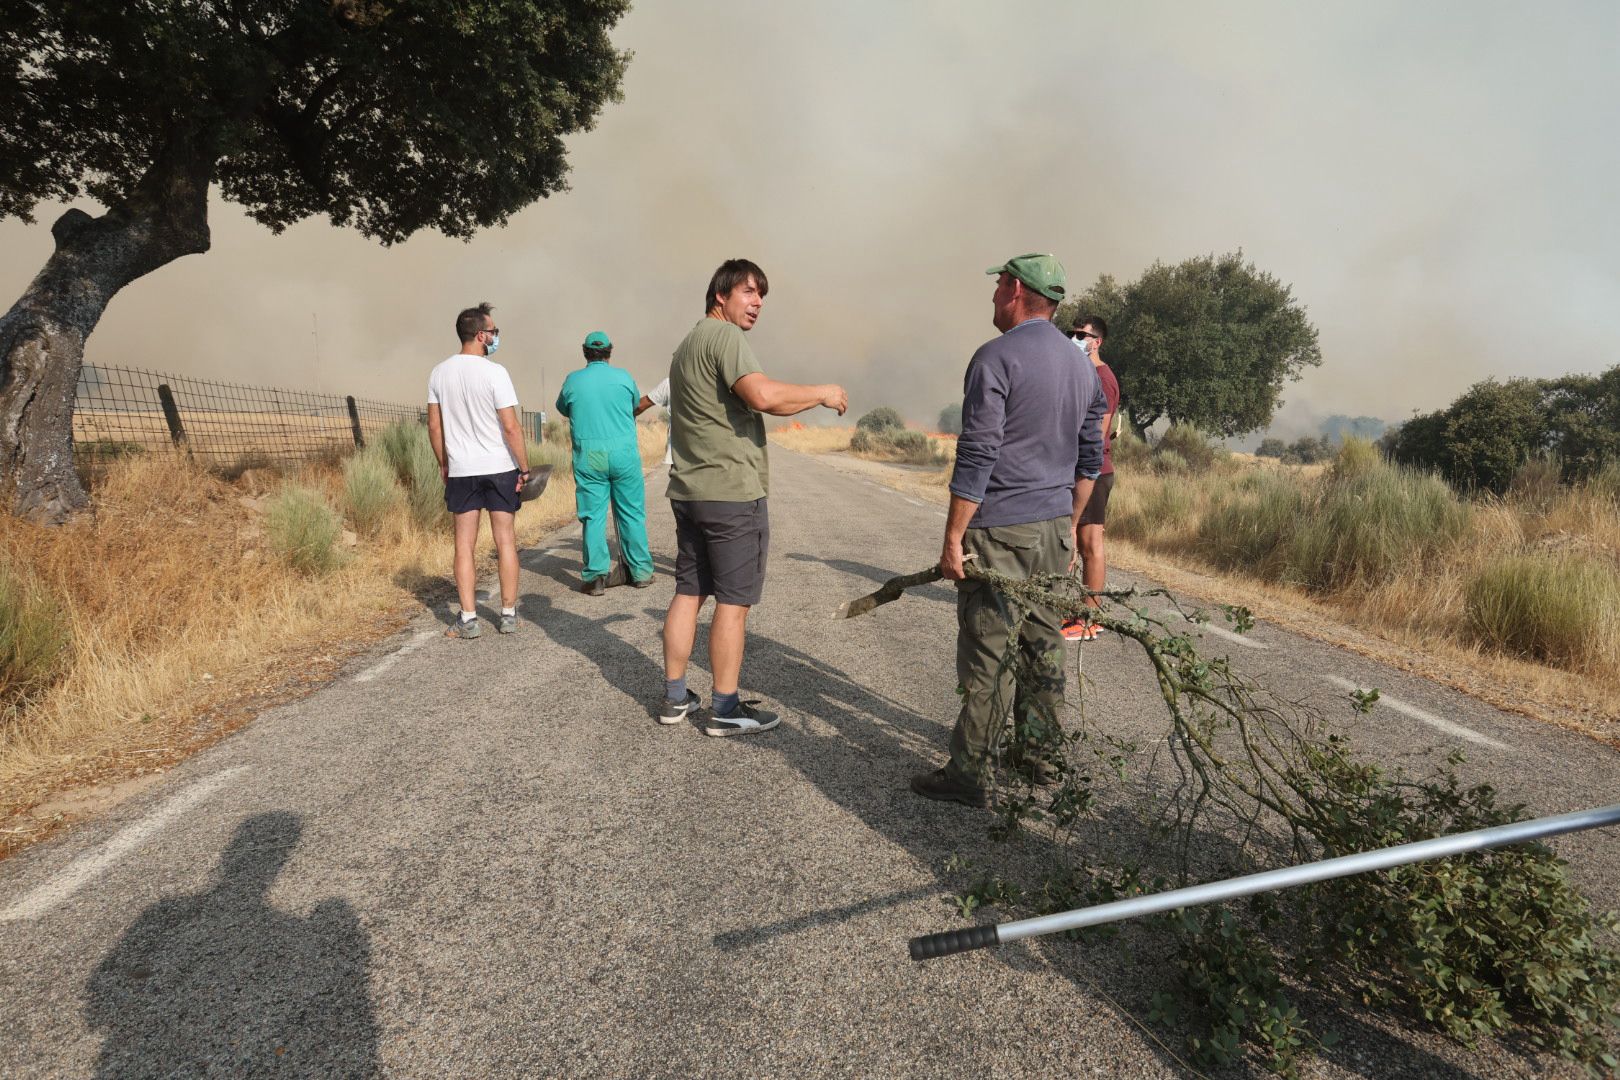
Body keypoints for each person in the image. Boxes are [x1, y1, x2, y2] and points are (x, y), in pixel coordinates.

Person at [912, 254, 1107, 806]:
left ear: (1016, 289)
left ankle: (969, 773)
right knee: (1043, 645)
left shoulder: (995, 358)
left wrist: (953, 537)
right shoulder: (1082, 368)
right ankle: (1039, 757)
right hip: (1053, 529)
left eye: (998, 285)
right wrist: (1068, 524)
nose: (994, 296)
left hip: (1001, 529)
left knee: (988, 652)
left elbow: (978, 452)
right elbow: (1091, 458)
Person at [657, 258, 848, 737]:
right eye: (748, 291)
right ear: (720, 295)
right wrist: (822, 392)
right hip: (730, 495)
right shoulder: (725, 338)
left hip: (690, 490)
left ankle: (675, 698)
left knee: (688, 592)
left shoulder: (686, 345)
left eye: (761, 294)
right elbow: (762, 396)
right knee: (733, 604)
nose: (757, 301)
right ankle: (725, 709)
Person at [427, 302, 531, 638]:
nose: (496, 336)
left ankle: (468, 618)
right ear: (479, 334)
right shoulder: (495, 372)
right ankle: (508, 614)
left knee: (463, 545)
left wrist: (444, 462)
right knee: (505, 541)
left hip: (462, 470)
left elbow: (434, 427)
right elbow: (511, 426)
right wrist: (524, 468)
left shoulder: (438, 373)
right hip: (500, 468)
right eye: (493, 331)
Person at [555, 331, 654, 594]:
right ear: (609, 352)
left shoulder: (573, 381)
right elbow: (634, 404)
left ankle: (596, 577)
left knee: (593, 515)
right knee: (631, 512)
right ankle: (640, 571)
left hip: (591, 455)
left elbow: (563, 408)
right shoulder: (624, 377)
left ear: (585, 352)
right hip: (624, 455)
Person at [1062, 315, 1121, 641]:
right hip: (1079, 470)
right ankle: (1077, 612)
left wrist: (1083, 471)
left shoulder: (1103, 379)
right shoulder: (1083, 372)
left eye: (1082, 335)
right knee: (1079, 544)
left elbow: (1098, 436)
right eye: (1072, 332)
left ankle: (1089, 618)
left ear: (1097, 341)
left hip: (1094, 473)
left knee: (1090, 545)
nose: (1075, 338)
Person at [634, 376, 675, 466]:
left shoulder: (672, 381)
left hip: (676, 460)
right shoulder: (712, 383)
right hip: (709, 460)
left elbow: (640, 406)